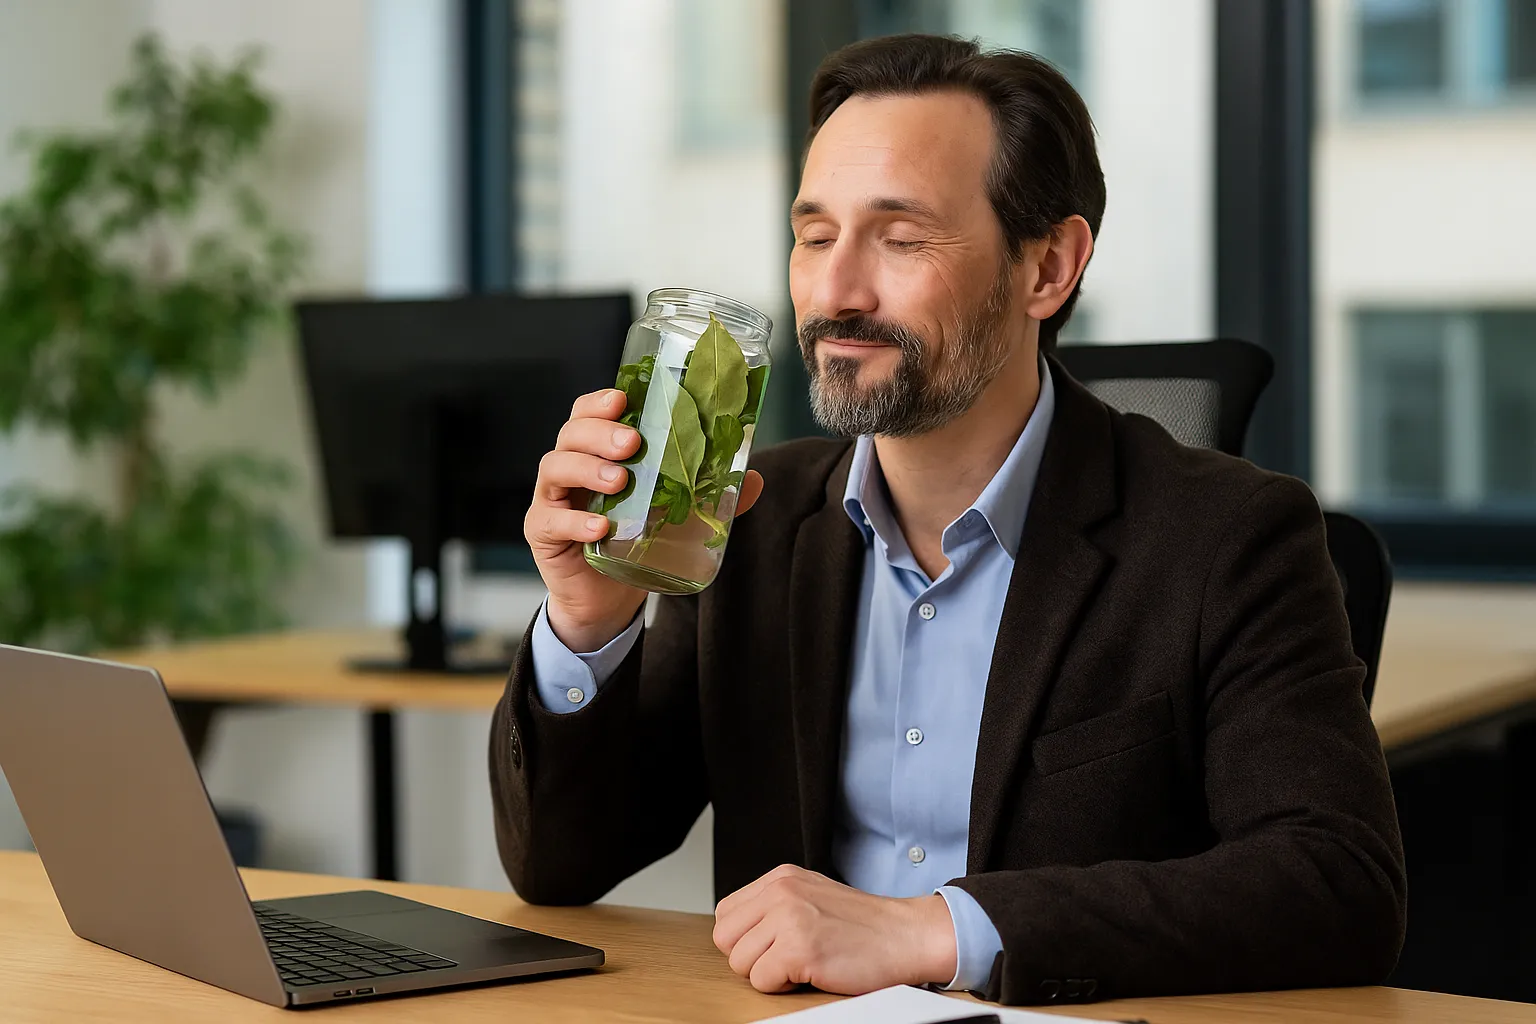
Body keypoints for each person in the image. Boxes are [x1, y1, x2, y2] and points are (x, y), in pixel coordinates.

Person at [491, 33, 1405, 1006]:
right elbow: (563, 866)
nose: (835, 292)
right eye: (813, 235)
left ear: (1047, 266)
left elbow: (1337, 884)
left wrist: (934, 930)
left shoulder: (1227, 536)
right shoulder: (754, 521)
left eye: (900, 237)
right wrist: (587, 624)